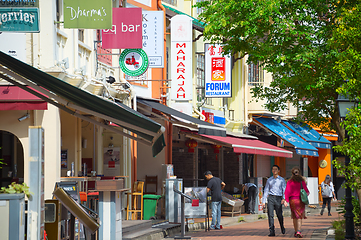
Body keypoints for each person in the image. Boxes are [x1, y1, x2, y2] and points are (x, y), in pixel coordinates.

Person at [262, 165, 287, 237]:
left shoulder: (281, 180)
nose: (274, 171)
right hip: (271, 198)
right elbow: (266, 190)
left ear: (278, 170)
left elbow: (284, 190)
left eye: (276, 169)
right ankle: (272, 231)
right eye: (273, 169)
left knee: (279, 215)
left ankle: (282, 226)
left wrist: (284, 198)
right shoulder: (269, 180)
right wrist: (263, 201)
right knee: (270, 215)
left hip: (278, 198)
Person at [284, 167, 310, 238]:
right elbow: (306, 191)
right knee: (299, 216)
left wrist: (286, 200)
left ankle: (295, 232)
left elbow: (287, 192)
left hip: (292, 201)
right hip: (300, 200)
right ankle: (299, 230)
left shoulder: (289, 182)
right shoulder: (302, 181)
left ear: (292, 173)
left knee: (294, 216)